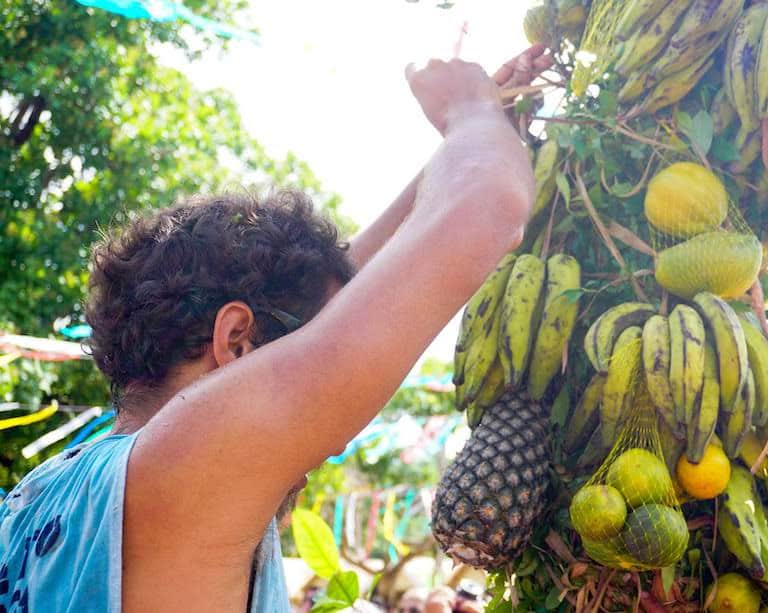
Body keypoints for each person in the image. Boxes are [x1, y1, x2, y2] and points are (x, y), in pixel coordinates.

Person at [0, 44, 552, 612]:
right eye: (311, 355)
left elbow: (350, 292)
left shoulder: (45, 497)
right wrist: (470, 114)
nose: (335, 434)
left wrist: (480, 124)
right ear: (237, 342)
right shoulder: (185, 467)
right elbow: (488, 204)